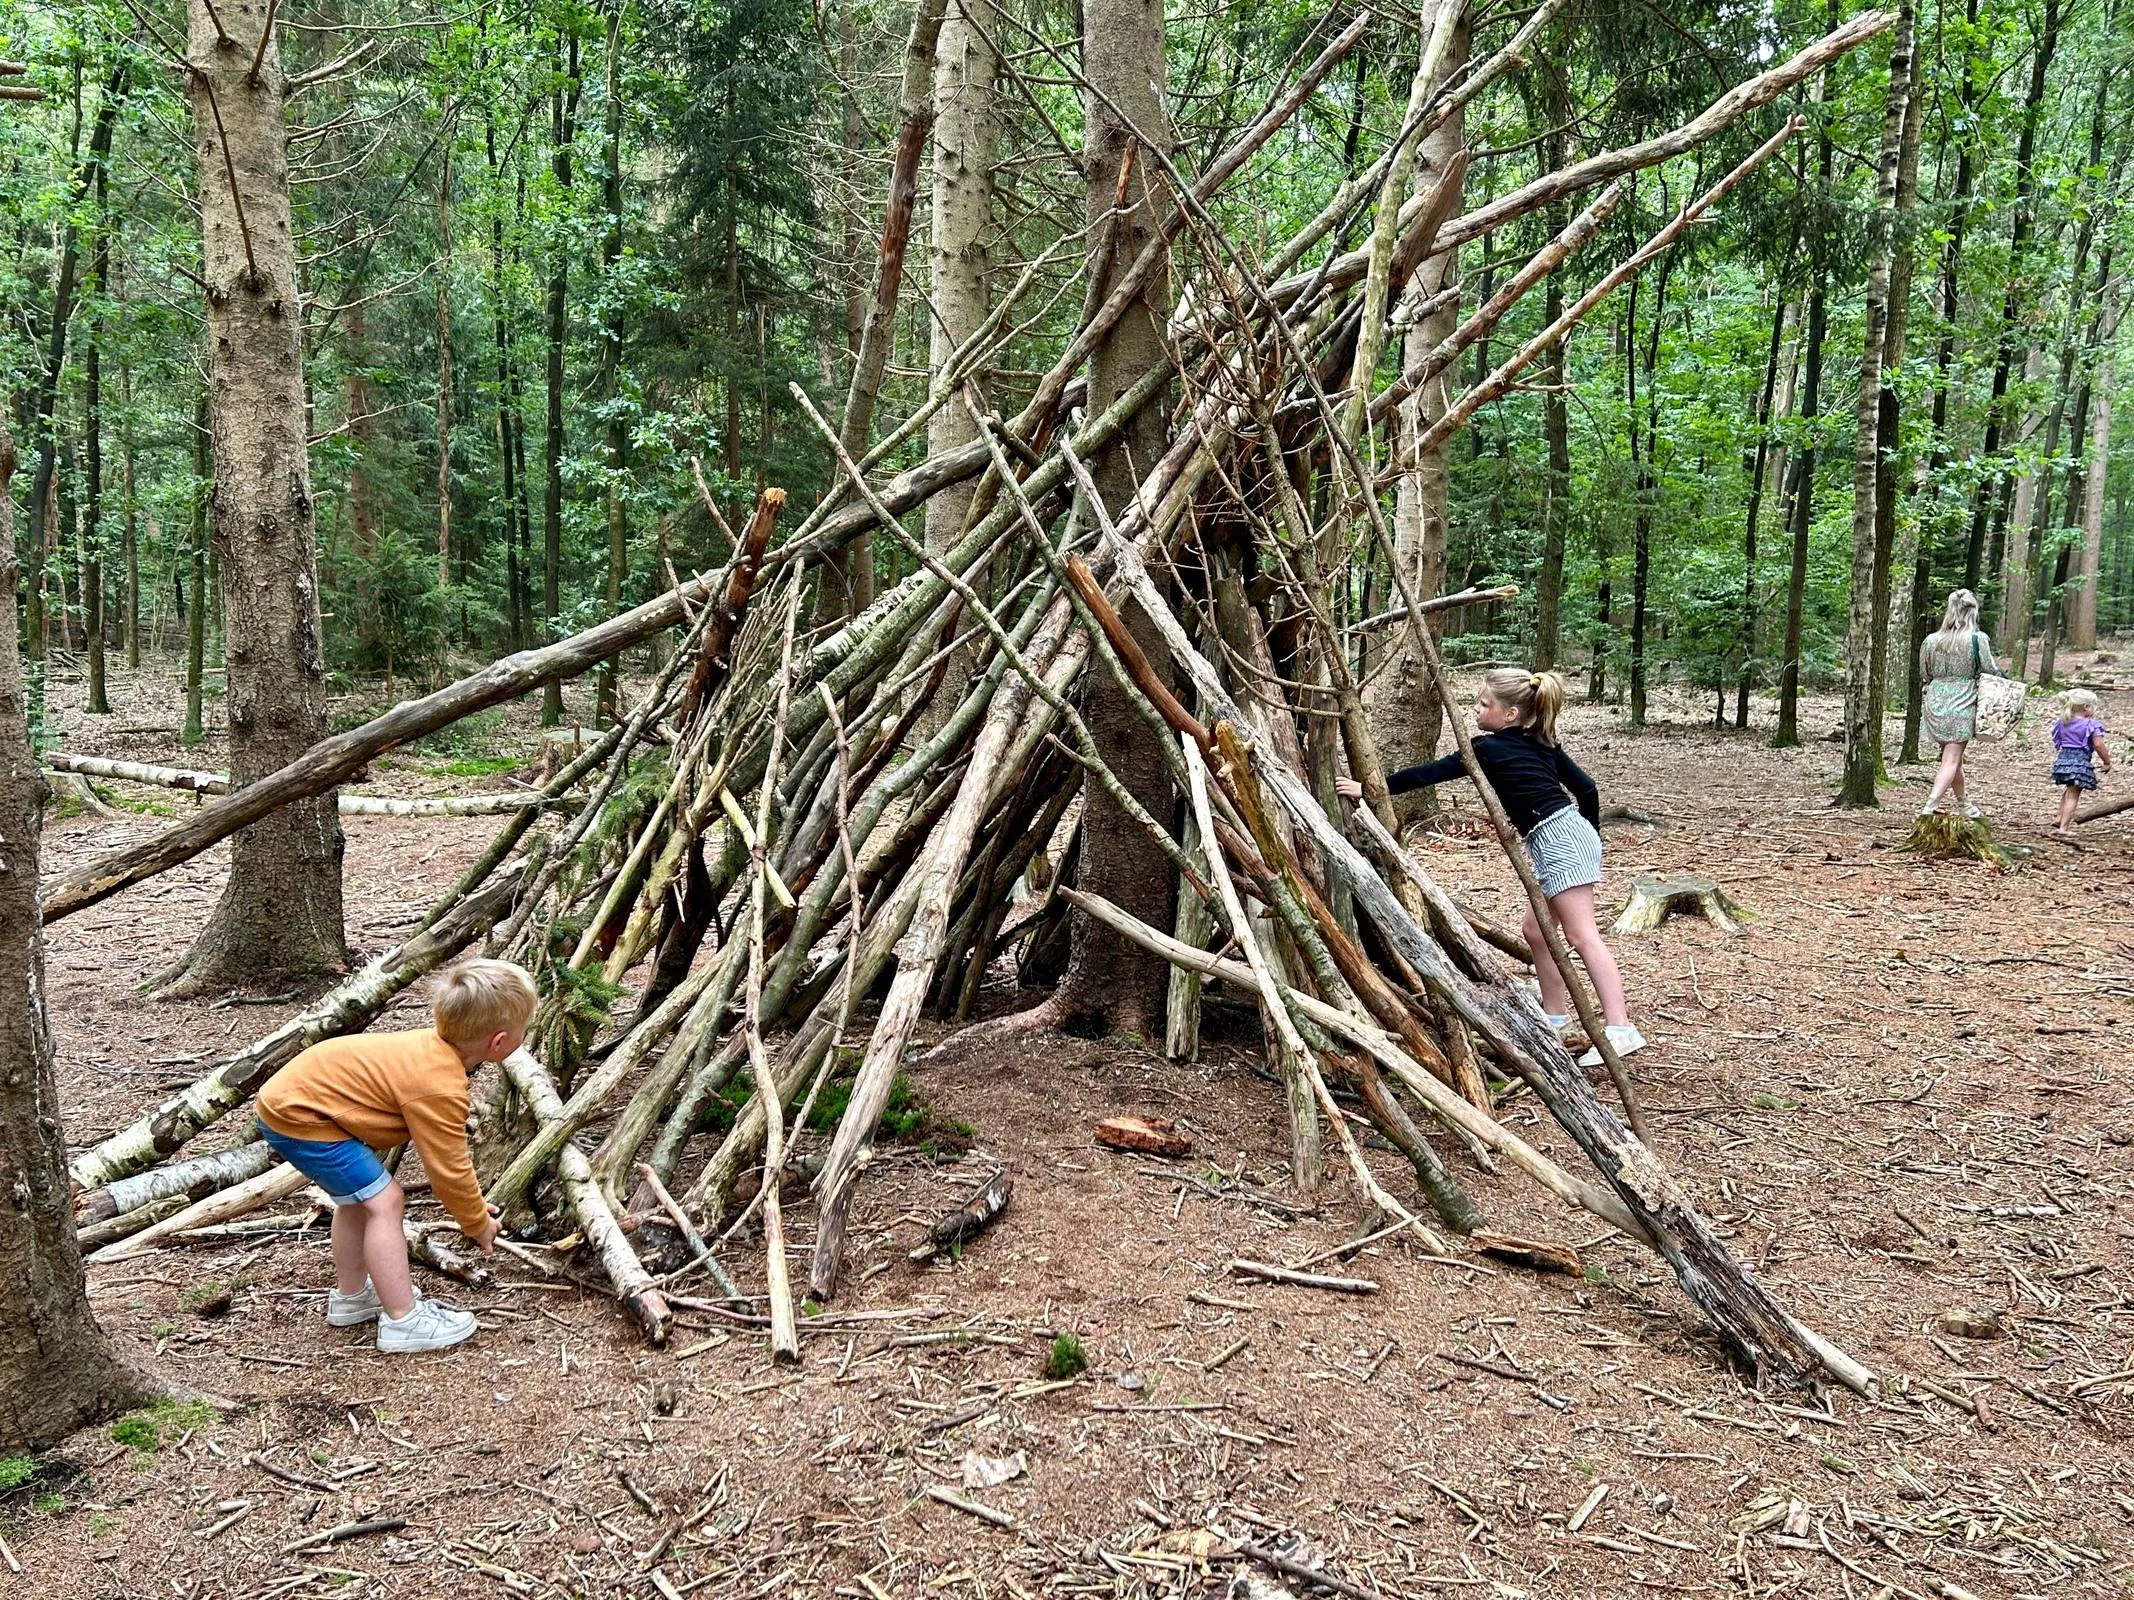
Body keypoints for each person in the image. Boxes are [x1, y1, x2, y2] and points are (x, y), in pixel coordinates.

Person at [1337, 667, 1642, 1067]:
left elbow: (1430, 773)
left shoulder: (1487, 748)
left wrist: (1369, 789)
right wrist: (1589, 831)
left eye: (1484, 704)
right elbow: (1586, 789)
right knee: (1535, 930)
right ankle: (1554, 1014)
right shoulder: (1542, 742)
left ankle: (1620, 1029)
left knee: (1582, 936)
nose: (1476, 710)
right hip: (1564, 836)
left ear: (1510, 714)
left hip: (1561, 840)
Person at [255, 959, 537, 1353]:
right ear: (499, 1042)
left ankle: (353, 1298)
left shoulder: (430, 1050)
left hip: (290, 1103)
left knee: (356, 1202)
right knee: (386, 1202)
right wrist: (475, 1222)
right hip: (300, 1116)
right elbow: (448, 1170)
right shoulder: (438, 1085)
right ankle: (403, 1320)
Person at [1918, 588, 2002, 818]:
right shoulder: (1977, 639)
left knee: (1952, 758)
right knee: (1952, 759)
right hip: (1963, 701)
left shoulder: (1931, 641)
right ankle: (1930, 806)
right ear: (1972, 611)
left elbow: (1924, 673)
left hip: (1935, 702)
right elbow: (1990, 669)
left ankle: (1964, 804)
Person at [2049, 688, 2110, 838]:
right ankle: (2063, 827)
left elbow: (2057, 739)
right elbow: (2098, 744)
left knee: (2069, 790)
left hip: (2063, 761)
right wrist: (2107, 761)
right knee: (2073, 795)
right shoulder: (2091, 725)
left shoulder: (2063, 722)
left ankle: (2059, 817)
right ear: (2086, 707)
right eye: (2093, 706)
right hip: (2080, 763)